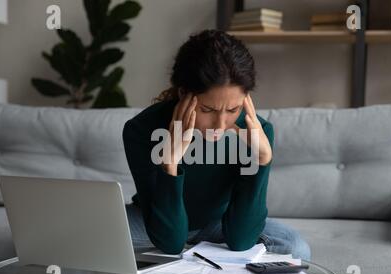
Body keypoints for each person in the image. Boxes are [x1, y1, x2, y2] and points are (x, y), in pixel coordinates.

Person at [122, 29, 311, 260]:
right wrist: (169, 163)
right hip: (152, 221)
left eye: (233, 109)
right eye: (208, 110)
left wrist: (262, 160)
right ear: (183, 93)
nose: (220, 125)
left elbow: (241, 239)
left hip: (219, 223)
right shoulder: (142, 129)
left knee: (295, 248)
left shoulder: (256, 133)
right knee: (78, 238)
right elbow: (170, 242)